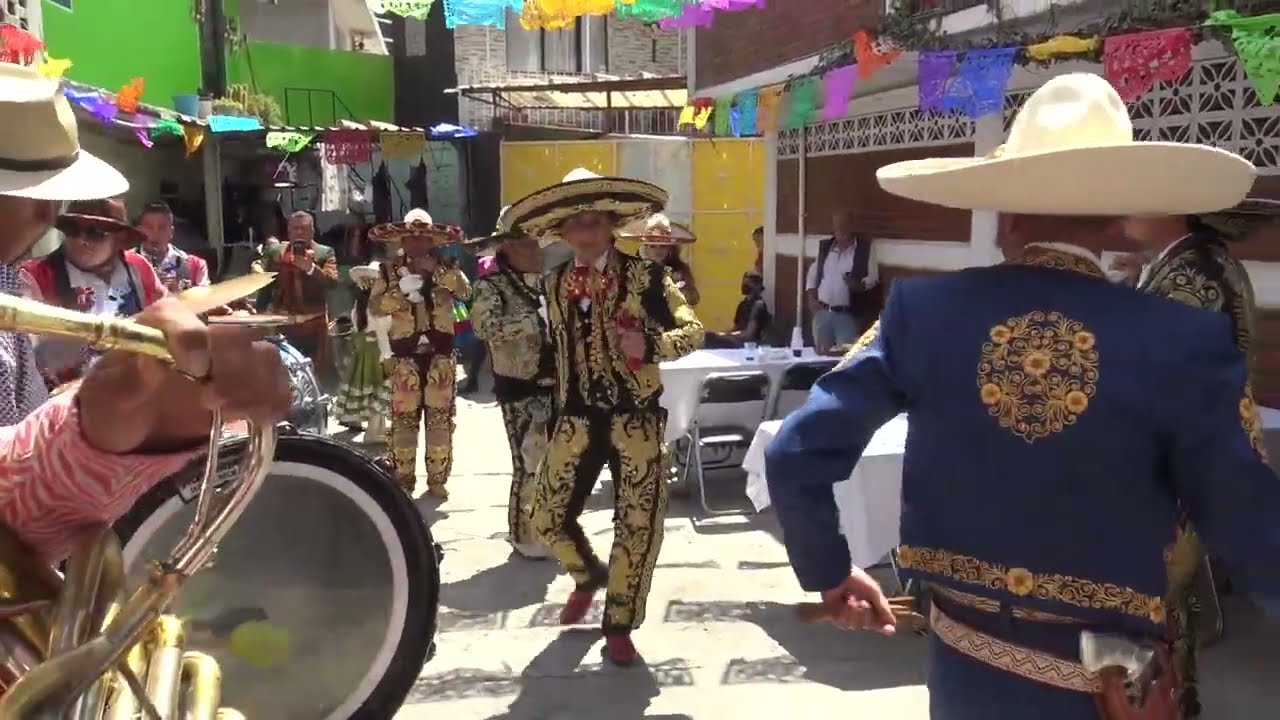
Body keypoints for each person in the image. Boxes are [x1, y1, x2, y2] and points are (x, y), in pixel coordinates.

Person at [764, 73, 1279, 719]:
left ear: (1007, 216)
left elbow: (793, 450)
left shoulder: (920, 311)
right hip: (1104, 683)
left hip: (964, 672)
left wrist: (829, 570)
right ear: (1118, 220)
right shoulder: (1182, 336)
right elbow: (1252, 523)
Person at [0, 62, 291, 559]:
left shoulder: (127, 274)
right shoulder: (35, 277)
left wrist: (144, 393)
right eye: (74, 225)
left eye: (99, 230)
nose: (48, 216)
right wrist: (100, 425)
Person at [511, 168, 704, 666]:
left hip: (634, 417)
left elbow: (694, 331)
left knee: (638, 523)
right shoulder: (553, 283)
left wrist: (652, 345)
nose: (586, 232)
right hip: (575, 417)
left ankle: (619, 621)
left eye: (595, 222)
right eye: (577, 224)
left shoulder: (649, 275)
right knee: (545, 514)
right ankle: (587, 574)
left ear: (612, 225)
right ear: (563, 232)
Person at [1116, 196, 1278, 716]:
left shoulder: (1190, 274)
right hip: (1199, 455)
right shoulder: (1196, 263)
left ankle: (1154, 703)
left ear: (1173, 209)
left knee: (1149, 597)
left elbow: (1150, 366)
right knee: (1169, 602)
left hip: (1181, 464)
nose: (1125, 209)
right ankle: (1174, 701)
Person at [368, 209, 470, 499]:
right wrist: (399, 292)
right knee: (403, 421)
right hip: (404, 358)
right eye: (411, 238)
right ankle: (404, 480)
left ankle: (437, 480)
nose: (417, 243)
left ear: (433, 240)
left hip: (440, 356)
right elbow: (375, 308)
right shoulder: (388, 271)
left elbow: (465, 292)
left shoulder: (447, 266)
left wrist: (436, 272)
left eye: (423, 238)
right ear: (402, 240)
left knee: (440, 421)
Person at [469, 218, 554, 560]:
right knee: (529, 464)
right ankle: (525, 535)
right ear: (505, 247)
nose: (534, 250)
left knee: (557, 464)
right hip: (519, 385)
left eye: (536, 243)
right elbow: (483, 326)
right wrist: (534, 321)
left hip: (558, 382)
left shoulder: (549, 282)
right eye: (525, 244)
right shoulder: (491, 286)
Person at [21, 198, 167, 387]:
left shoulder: (139, 267)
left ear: (120, 238)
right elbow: (31, 356)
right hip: (70, 400)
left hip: (140, 390)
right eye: (73, 229)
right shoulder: (34, 277)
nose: (82, 240)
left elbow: (162, 318)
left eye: (95, 233)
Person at [251, 210, 339, 377]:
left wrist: (310, 268)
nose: (299, 232)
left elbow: (332, 282)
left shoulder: (324, 252)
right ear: (288, 231)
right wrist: (260, 313)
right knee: (285, 374)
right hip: (284, 327)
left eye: (304, 229)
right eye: (295, 228)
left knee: (317, 374)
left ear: (312, 231)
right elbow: (266, 285)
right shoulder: (276, 252)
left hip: (313, 326)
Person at [330, 262, 391, 442]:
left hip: (362, 351)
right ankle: (373, 431)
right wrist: (388, 354)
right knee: (380, 389)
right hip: (377, 351)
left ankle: (376, 428)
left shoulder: (359, 305)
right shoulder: (378, 306)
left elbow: (358, 329)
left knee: (369, 388)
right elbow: (382, 331)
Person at [805, 210, 880, 352]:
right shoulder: (826, 247)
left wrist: (859, 285)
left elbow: (873, 277)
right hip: (823, 312)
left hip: (848, 315)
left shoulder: (864, 249)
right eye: (838, 226)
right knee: (820, 357)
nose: (841, 229)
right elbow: (813, 273)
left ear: (852, 226)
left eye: (844, 225)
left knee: (843, 356)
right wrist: (810, 298)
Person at [134, 200, 211, 293]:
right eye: (149, 227)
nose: (156, 233)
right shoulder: (125, 262)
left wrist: (178, 291)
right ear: (138, 231)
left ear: (172, 232)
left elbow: (204, 302)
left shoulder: (196, 265)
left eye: (162, 227)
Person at [627, 213, 701, 306]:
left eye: (663, 246)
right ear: (645, 248)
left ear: (670, 248)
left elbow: (693, 300)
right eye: (653, 246)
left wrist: (681, 290)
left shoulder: (679, 270)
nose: (658, 251)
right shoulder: (634, 270)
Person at [706, 270, 771, 349]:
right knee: (709, 337)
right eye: (744, 282)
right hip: (738, 340)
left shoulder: (758, 305)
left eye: (749, 283)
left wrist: (727, 336)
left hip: (750, 345)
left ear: (757, 286)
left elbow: (749, 334)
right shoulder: (742, 305)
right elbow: (736, 328)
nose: (745, 285)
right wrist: (721, 334)